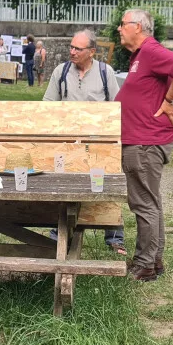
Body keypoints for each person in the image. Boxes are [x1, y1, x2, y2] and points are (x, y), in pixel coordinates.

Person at [114, 10, 173, 281]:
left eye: (123, 24)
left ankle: (144, 264)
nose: (119, 29)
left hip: (145, 142)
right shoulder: (141, 56)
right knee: (151, 201)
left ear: (137, 27)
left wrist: (170, 100)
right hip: (142, 140)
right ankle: (154, 260)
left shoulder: (150, 50)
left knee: (143, 203)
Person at [43, 30, 127, 255]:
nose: (72, 52)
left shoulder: (104, 72)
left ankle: (114, 237)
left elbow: (115, 106)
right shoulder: (61, 71)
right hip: (67, 141)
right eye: (71, 47)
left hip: (98, 140)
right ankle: (57, 232)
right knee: (61, 184)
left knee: (106, 183)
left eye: (78, 49)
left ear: (92, 52)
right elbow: (48, 105)